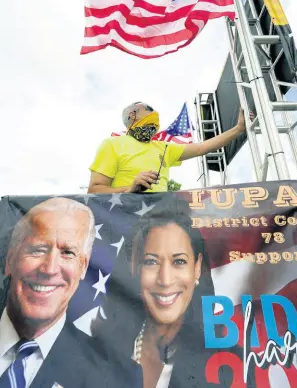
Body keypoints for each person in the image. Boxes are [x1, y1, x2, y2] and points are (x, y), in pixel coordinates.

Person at [93, 196, 242, 387]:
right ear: (136, 269)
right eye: (151, 262)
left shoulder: (228, 362)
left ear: (197, 268)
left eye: (179, 261)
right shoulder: (101, 348)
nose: (165, 280)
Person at [0, 198, 142, 388]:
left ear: (83, 266)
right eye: (37, 249)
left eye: (68, 253)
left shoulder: (120, 377)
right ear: (10, 259)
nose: (49, 269)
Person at [88, 101, 252, 193]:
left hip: (161, 221)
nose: (155, 116)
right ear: (132, 115)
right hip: (125, 220)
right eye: (149, 111)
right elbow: (94, 190)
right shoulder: (112, 144)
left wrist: (238, 129)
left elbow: (203, 147)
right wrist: (130, 189)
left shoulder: (164, 147)